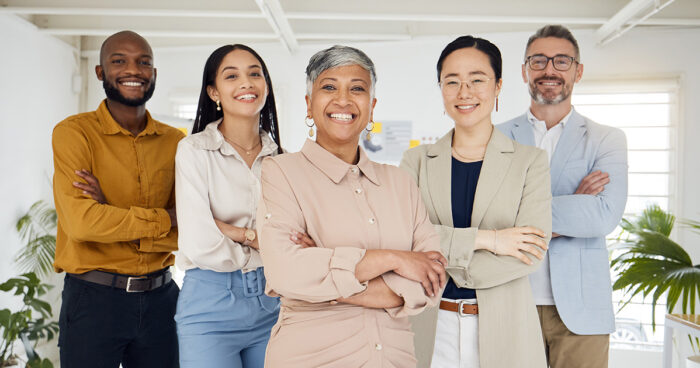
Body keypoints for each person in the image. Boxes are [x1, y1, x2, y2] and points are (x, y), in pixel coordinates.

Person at [256, 45, 447, 368]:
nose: (343, 100)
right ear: (308, 104)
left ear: (371, 108)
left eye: (357, 88)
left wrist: (323, 276)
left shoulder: (400, 183)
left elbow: (430, 283)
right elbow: (286, 273)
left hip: (394, 358)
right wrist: (394, 259)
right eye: (329, 87)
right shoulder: (281, 173)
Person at [401, 35, 552, 368]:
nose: (464, 92)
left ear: (498, 86)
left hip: (505, 329)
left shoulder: (530, 162)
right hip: (429, 326)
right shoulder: (417, 161)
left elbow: (530, 254)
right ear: (440, 89)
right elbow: (404, 241)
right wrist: (493, 240)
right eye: (452, 81)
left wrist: (439, 260)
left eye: (477, 80)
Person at [497, 25, 628, 368]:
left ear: (577, 71)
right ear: (524, 70)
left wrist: (521, 216)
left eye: (561, 61)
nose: (549, 70)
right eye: (538, 61)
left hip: (583, 312)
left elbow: (603, 215)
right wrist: (576, 202)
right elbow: (487, 216)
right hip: (510, 303)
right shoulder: (494, 138)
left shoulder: (607, 139)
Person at [52, 30, 183, 367]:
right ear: (100, 72)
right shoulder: (74, 133)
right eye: (119, 61)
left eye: (144, 62)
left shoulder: (176, 143)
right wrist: (165, 218)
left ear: (154, 74)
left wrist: (109, 212)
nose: (133, 70)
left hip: (162, 301)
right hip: (94, 300)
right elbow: (81, 224)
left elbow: (192, 228)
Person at [173, 44, 282, 368]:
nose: (246, 83)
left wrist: (229, 229)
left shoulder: (283, 161)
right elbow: (198, 241)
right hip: (210, 306)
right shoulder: (193, 151)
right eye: (231, 76)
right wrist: (256, 239)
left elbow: (293, 238)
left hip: (274, 302)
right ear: (213, 92)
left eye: (254, 74)